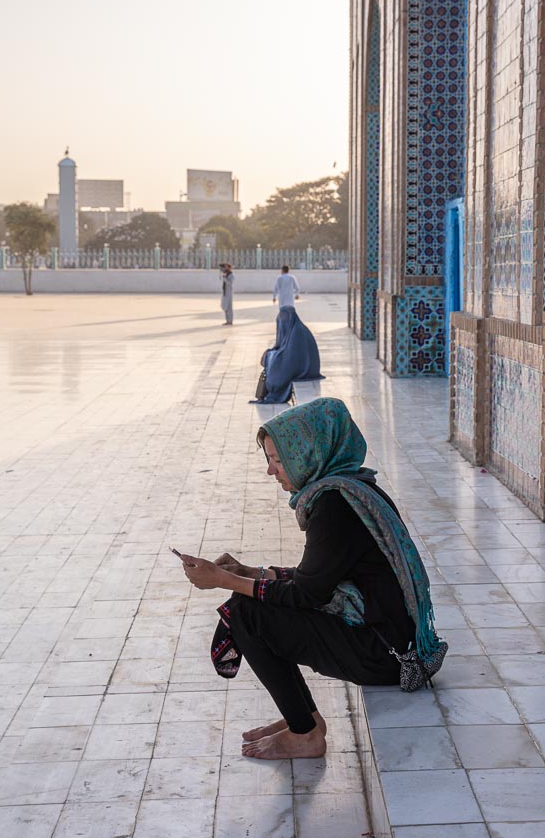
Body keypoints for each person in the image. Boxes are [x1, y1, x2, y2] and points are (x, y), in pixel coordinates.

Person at [178, 397, 447, 760]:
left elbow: (306, 594)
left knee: (247, 613)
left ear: (307, 453)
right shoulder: (352, 489)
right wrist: (250, 573)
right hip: (391, 642)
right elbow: (320, 576)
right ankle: (304, 721)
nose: (272, 471)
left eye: (277, 460)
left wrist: (224, 580)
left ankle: (306, 733)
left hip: (386, 656)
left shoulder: (334, 507)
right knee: (253, 601)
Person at [255, 305, 324, 403]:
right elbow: (283, 350)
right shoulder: (296, 328)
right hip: (305, 368)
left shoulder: (297, 333)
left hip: (302, 370)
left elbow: (288, 359)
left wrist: (268, 356)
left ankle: (272, 390)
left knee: (273, 363)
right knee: (271, 357)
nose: (281, 321)